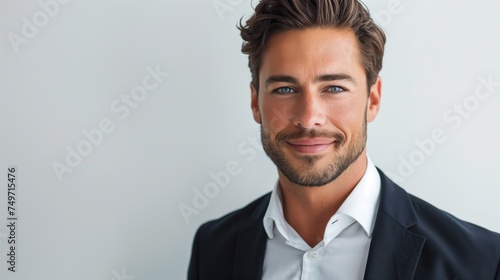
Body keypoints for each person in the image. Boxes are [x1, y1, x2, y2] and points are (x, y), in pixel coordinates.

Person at [188, 0, 500, 279]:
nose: (309, 118)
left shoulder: (481, 263)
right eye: (285, 89)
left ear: (372, 99)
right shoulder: (213, 248)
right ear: (256, 103)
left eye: (334, 88)